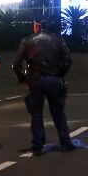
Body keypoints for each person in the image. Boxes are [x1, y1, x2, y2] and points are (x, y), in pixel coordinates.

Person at [12, 19, 74, 156]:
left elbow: (16, 63)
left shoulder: (27, 40)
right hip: (53, 79)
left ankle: (38, 146)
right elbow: (68, 60)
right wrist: (59, 74)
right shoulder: (58, 39)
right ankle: (65, 142)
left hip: (35, 80)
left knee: (36, 114)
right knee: (58, 113)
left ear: (37, 26)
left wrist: (22, 78)